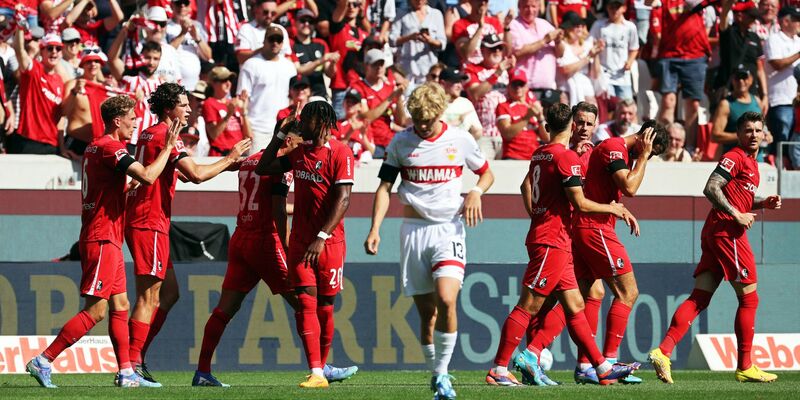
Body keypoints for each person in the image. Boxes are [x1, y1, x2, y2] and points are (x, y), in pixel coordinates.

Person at [25, 95, 179, 389]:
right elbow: (148, 176)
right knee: (96, 311)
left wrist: (126, 187)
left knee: (121, 304)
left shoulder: (95, 146)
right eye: (131, 119)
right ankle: (44, 360)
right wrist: (168, 147)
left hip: (108, 235)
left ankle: (126, 372)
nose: (135, 124)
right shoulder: (111, 147)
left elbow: (107, 185)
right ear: (117, 121)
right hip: (102, 236)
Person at [488, 103, 640, 387]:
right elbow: (579, 203)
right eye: (578, 123)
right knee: (528, 306)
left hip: (557, 239)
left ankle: (600, 366)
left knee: (576, 303)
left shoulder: (540, 153)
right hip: (552, 240)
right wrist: (612, 208)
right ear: (571, 126)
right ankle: (499, 368)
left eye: (589, 123)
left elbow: (526, 186)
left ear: (547, 127)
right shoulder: (566, 156)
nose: (582, 128)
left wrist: (537, 215)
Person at [364, 82, 494, 400]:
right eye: (418, 120)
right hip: (414, 231)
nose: (422, 126)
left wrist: (476, 191)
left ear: (439, 113)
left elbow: (486, 173)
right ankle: (435, 374)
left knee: (447, 299)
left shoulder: (460, 140)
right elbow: (384, 188)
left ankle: (442, 374)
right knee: (427, 315)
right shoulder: (401, 142)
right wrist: (375, 228)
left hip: (449, 229)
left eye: (428, 120)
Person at [193, 143, 357, 387]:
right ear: (288, 141)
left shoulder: (252, 160)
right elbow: (277, 207)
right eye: (299, 140)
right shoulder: (282, 166)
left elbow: (261, 193)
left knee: (224, 309)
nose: (303, 146)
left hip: (241, 238)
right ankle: (320, 368)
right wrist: (288, 247)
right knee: (306, 303)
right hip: (266, 242)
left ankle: (202, 371)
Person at [125, 83, 251, 384]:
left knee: (169, 293)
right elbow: (196, 175)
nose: (189, 108)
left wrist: (224, 166)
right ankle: (130, 366)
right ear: (169, 109)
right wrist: (230, 157)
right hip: (148, 221)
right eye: (183, 104)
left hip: (148, 220)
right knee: (148, 297)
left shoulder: (151, 133)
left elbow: (179, 172)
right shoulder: (165, 135)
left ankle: (136, 358)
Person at [649, 112, 781, 384]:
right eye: (748, 130)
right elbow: (711, 188)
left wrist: (762, 203)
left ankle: (663, 351)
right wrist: (736, 214)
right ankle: (745, 366)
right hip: (727, 232)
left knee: (700, 297)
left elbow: (738, 197)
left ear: (764, 134)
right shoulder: (735, 156)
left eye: (758, 130)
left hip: (716, 231)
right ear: (738, 134)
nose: (753, 134)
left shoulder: (752, 164)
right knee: (749, 298)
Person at [255, 99, 355, 388]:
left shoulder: (341, 152)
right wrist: (279, 134)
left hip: (329, 243)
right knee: (305, 302)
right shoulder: (299, 153)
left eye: (306, 119)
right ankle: (316, 371)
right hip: (300, 241)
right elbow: (264, 167)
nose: (301, 124)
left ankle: (321, 369)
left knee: (326, 306)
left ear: (320, 122)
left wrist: (322, 237)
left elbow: (344, 199)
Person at [571, 120, 668, 384]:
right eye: (652, 150)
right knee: (628, 292)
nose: (649, 156)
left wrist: (622, 210)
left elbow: (607, 191)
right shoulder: (615, 148)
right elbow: (630, 187)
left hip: (589, 226)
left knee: (590, 294)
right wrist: (644, 156)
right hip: (595, 228)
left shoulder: (618, 152)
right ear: (646, 137)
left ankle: (585, 366)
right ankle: (609, 362)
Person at [657, 0, 711, 152]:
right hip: (670, 54)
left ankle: (689, 148)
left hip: (695, 55)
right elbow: (648, 3)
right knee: (668, 101)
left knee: (693, 104)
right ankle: (663, 148)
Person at [237, 25, 298, 153]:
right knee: (256, 164)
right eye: (271, 39)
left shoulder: (289, 66)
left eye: (278, 40)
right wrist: (247, 127)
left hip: (283, 127)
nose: (275, 43)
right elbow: (242, 100)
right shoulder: (251, 64)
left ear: (283, 43)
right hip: (257, 129)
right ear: (264, 41)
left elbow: (294, 97)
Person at [6, 29, 64, 155]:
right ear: (41, 51)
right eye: (50, 48)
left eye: (58, 49)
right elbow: (19, 51)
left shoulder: (60, 81)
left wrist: (62, 147)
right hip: (29, 140)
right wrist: (20, 28)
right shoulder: (34, 69)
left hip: (52, 144)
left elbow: (60, 119)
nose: (54, 51)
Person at [108, 32, 165, 149]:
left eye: (156, 59)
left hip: (152, 142)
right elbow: (112, 59)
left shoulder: (162, 84)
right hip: (131, 141)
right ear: (141, 57)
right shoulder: (130, 78)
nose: (151, 62)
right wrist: (124, 31)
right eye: (148, 57)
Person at [348, 48, 407, 159]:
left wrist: (398, 97)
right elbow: (367, 117)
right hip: (370, 143)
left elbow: (401, 121)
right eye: (375, 64)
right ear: (366, 66)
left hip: (390, 141)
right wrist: (390, 98)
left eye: (381, 64)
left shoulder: (390, 88)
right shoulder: (358, 87)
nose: (379, 68)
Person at [464, 33, 515, 159]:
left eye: (500, 48)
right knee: (484, 168)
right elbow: (475, 94)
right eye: (492, 48)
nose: (497, 51)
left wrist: (512, 72)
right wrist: (497, 73)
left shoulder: (507, 70)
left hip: (505, 133)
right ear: (482, 50)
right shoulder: (472, 69)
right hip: (483, 134)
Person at [764, 6, 800, 163]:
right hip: (781, 100)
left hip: (797, 102)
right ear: (785, 21)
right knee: (782, 141)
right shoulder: (774, 39)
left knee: (795, 143)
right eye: (797, 20)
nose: (799, 23)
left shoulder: (798, 41)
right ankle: (780, 172)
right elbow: (777, 64)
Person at [62, 45, 112, 156]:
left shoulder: (106, 89)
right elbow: (63, 113)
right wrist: (74, 92)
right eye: (89, 61)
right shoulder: (73, 84)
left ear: (100, 64)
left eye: (96, 61)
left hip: (98, 145)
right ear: (82, 64)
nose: (93, 64)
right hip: (75, 143)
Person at [508, 0, 562, 101]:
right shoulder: (513, 25)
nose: (530, 10)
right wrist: (544, 41)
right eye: (526, 6)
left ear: (539, 7)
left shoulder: (545, 24)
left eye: (533, 6)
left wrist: (558, 42)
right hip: (525, 89)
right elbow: (517, 53)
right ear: (519, 7)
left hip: (549, 88)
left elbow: (560, 54)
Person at [712, 65, 767, 157]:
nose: (741, 81)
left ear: (751, 79)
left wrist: (767, 135)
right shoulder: (725, 104)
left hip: (757, 159)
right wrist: (743, 135)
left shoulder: (757, 100)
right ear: (732, 80)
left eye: (744, 77)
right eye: (737, 78)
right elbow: (715, 135)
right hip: (736, 159)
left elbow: (763, 128)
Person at [589, 0, 639, 101]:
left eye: (617, 7)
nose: (614, 10)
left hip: (623, 76)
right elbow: (590, 44)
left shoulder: (630, 27)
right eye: (611, 7)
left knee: (626, 105)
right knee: (609, 105)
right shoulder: (598, 25)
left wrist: (630, 61)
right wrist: (597, 47)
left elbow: (634, 48)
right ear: (607, 8)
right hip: (605, 75)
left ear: (624, 8)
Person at [390, 0, 446, 88]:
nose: (419, 1)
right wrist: (410, 37)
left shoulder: (436, 14)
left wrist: (430, 40)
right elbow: (392, 40)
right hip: (407, 70)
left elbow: (442, 43)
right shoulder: (401, 13)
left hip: (429, 71)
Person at [495, 68, 547, 160]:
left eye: (521, 84)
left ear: (527, 87)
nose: (518, 88)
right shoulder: (503, 106)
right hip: (512, 157)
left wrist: (540, 118)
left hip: (533, 158)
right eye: (514, 84)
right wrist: (527, 117)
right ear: (508, 86)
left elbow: (546, 138)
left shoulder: (533, 106)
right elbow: (507, 134)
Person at [203, 66, 252, 156]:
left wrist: (244, 112)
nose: (228, 83)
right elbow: (213, 134)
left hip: (238, 154)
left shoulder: (233, 103)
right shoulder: (209, 103)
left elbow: (249, 137)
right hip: (221, 155)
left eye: (230, 80)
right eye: (224, 80)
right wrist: (229, 114)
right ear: (213, 83)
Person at [557, 11, 602, 106]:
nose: (580, 28)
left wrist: (596, 54)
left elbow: (595, 75)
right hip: (566, 90)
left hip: (586, 90)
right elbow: (565, 70)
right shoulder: (562, 46)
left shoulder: (588, 46)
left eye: (581, 25)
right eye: (576, 26)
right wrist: (588, 57)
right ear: (567, 29)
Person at [166, 0, 213, 92]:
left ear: (189, 6)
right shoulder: (166, 26)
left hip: (194, 85)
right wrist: (183, 33)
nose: (182, 6)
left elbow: (208, 56)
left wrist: (196, 37)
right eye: (178, 3)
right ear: (172, 6)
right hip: (174, 86)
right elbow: (166, 53)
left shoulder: (197, 26)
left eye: (185, 3)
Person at [292, 8, 338, 99]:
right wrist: (320, 60)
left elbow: (329, 73)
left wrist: (333, 63)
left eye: (310, 22)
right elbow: (298, 70)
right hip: (300, 96)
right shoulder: (291, 44)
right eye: (303, 20)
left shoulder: (321, 44)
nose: (307, 24)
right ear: (295, 23)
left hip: (320, 95)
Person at [235, 0, 292, 65]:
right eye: (265, 12)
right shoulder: (246, 29)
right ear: (256, 10)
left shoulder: (280, 29)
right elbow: (240, 58)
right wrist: (264, 49)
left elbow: (288, 56)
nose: (269, 16)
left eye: (273, 13)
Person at [452, 0, 505, 65]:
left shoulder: (495, 22)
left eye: (486, 1)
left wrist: (507, 28)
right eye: (479, 0)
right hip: (471, 69)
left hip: (493, 69)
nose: (483, 3)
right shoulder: (460, 24)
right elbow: (466, 54)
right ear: (470, 1)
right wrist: (480, 27)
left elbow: (504, 52)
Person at [439, 67, 482, 140]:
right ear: (442, 83)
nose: (460, 86)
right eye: (455, 82)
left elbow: (478, 131)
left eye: (460, 82)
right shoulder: (433, 104)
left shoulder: (465, 103)